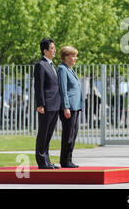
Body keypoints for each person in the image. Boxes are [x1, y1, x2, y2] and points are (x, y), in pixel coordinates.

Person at [34, 37, 61, 169]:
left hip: (55, 105)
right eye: (52, 48)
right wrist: (40, 104)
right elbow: (38, 86)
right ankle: (41, 161)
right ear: (45, 51)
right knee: (43, 133)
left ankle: (47, 160)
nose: (54, 50)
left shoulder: (51, 65)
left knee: (49, 134)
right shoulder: (40, 65)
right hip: (46, 106)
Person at [58, 46, 84, 168]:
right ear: (66, 57)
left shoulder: (70, 69)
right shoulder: (62, 69)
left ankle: (69, 159)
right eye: (73, 56)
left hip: (76, 106)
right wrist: (66, 107)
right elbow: (63, 89)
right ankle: (65, 160)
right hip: (69, 107)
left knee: (73, 134)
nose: (75, 58)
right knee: (68, 135)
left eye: (75, 56)